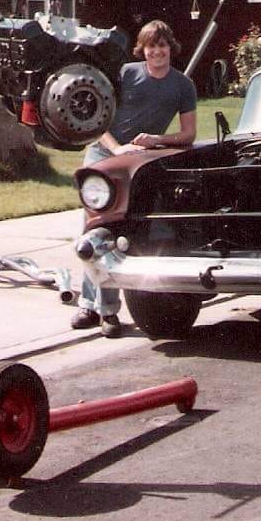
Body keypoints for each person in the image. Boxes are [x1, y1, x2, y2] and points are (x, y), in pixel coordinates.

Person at [71, 19, 198, 337]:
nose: (158, 52)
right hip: (105, 158)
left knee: (121, 233)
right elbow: (97, 119)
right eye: (152, 46)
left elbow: (188, 134)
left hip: (139, 164)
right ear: (143, 49)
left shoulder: (183, 85)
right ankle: (92, 307)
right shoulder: (126, 74)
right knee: (94, 232)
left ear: (171, 49)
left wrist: (157, 140)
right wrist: (117, 148)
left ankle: (109, 313)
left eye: (163, 46)